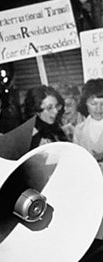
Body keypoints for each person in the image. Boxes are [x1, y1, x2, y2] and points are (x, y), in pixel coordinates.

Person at [74, 79, 103, 262]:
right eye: (94, 103)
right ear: (85, 103)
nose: (99, 108)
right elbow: (78, 160)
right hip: (93, 185)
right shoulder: (79, 129)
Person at [23, 85, 69, 149]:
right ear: (37, 111)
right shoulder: (31, 137)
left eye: (57, 106)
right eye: (49, 108)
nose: (56, 111)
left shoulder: (56, 128)